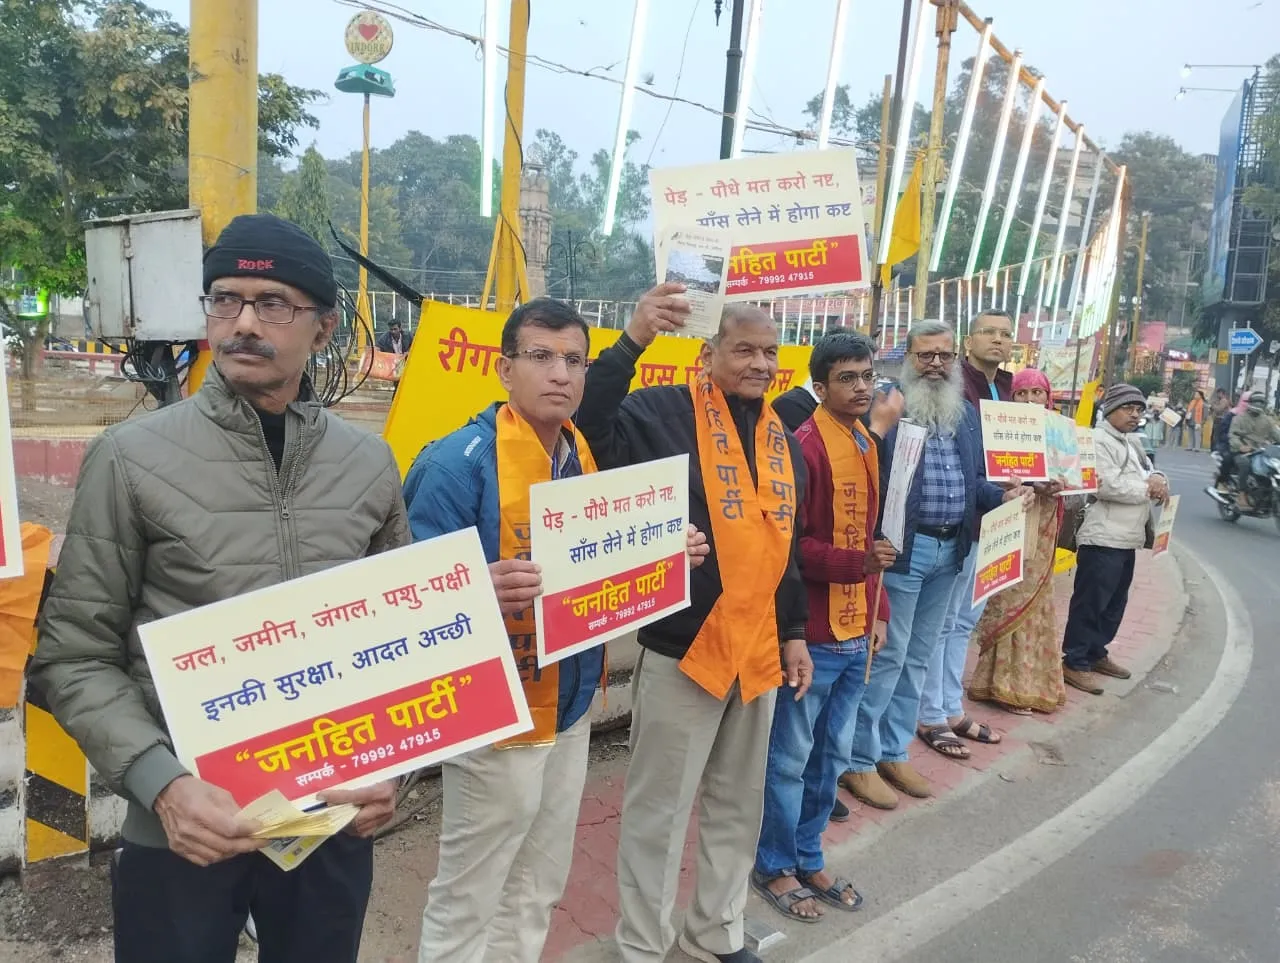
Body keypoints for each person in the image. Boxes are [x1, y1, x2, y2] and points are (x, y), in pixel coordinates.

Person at [29, 213, 407, 963]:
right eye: (225, 299)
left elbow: (394, 651)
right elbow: (73, 658)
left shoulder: (369, 464)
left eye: (273, 303)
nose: (242, 322)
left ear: (323, 327)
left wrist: (394, 767)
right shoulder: (131, 458)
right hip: (183, 828)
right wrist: (163, 786)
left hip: (327, 823)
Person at [405, 297, 709, 963]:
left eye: (574, 359)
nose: (561, 374)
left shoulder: (584, 456)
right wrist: (474, 585)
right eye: (541, 356)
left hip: (569, 705)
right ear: (503, 368)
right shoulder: (457, 463)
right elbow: (406, 597)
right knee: (470, 894)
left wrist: (666, 548)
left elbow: (603, 557)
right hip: (495, 718)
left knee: (538, 883)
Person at [577, 283, 810, 963]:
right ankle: (643, 946)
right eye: (744, 349)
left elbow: (784, 547)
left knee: (738, 809)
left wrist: (793, 631)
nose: (761, 364)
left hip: (760, 655)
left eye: (770, 353)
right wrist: (633, 338)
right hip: (686, 652)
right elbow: (589, 427)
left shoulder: (779, 442)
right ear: (709, 354)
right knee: (659, 813)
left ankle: (718, 932)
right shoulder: (659, 412)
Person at [842, 320, 1023, 811]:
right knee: (888, 657)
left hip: (952, 550)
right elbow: (856, 467)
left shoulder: (963, 413)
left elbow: (974, 482)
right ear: (909, 356)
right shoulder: (885, 405)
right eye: (926, 355)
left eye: (944, 355)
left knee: (919, 656)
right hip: (903, 551)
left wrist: (1002, 494)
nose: (937, 364)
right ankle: (857, 758)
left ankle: (893, 750)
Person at [752, 333, 899, 924]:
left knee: (831, 756)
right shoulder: (805, 447)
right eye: (847, 378)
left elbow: (874, 539)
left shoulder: (865, 441)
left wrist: (880, 610)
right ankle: (773, 863)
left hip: (858, 628)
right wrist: (857, 566)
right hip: (811, 634)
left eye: (867, 376)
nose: (862, 387)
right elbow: (789, 548)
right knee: (790, 757)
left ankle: (809, 855)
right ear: (819, 386)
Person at [916, 310, 1014, 763]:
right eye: (990, 332)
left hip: (988, 520)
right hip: (944, 534)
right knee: (931, 631)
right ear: (971, 341)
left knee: (962, 623)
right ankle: (930, 712)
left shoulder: (1005, 390)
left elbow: (980, 468)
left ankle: (950, 708)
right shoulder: (951, 391)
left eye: (1006, 334)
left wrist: (1014, 489)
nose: (999, 341)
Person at [966, 368, 1067, 715]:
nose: (1029, 400)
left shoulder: (1060, 430)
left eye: (1036, 393)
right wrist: (1023, 484)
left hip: (1047, 521)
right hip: (1012, 514)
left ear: (1047, 396)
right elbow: (989, 476)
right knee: (1006, 592)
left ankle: (1033, 684)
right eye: (1021, 394)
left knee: (1039, 598)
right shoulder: (1001, 431)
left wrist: (1058, 485)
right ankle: (999, 684)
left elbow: (1080, 483)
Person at [1061, 383, 1169, 695]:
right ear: (1110, 410)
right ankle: (1075, 662)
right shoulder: (1098, 440)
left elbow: (1151, 472)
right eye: (1128, 408)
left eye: (1138, 409)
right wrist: (1149, 488)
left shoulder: (1131, 442)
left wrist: (1159, 480)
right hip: (1102, 537)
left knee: (1114, 603)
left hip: (1126, 537)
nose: (1135, 414)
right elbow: (1102, 485)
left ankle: (1096, 653)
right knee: (1091, 602)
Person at [1227, 390, 1280, 508]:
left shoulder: (1267, 421)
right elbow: (1232, 435)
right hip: (1243, 452)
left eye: (1261, 402)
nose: (1259, 405)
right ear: (1250, 403)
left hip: (1261, 452)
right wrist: (1241, 446)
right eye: (1257, 402)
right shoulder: (1239, 419)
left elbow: (1277, 435)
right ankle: (1242, 494)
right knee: (1244, 465)